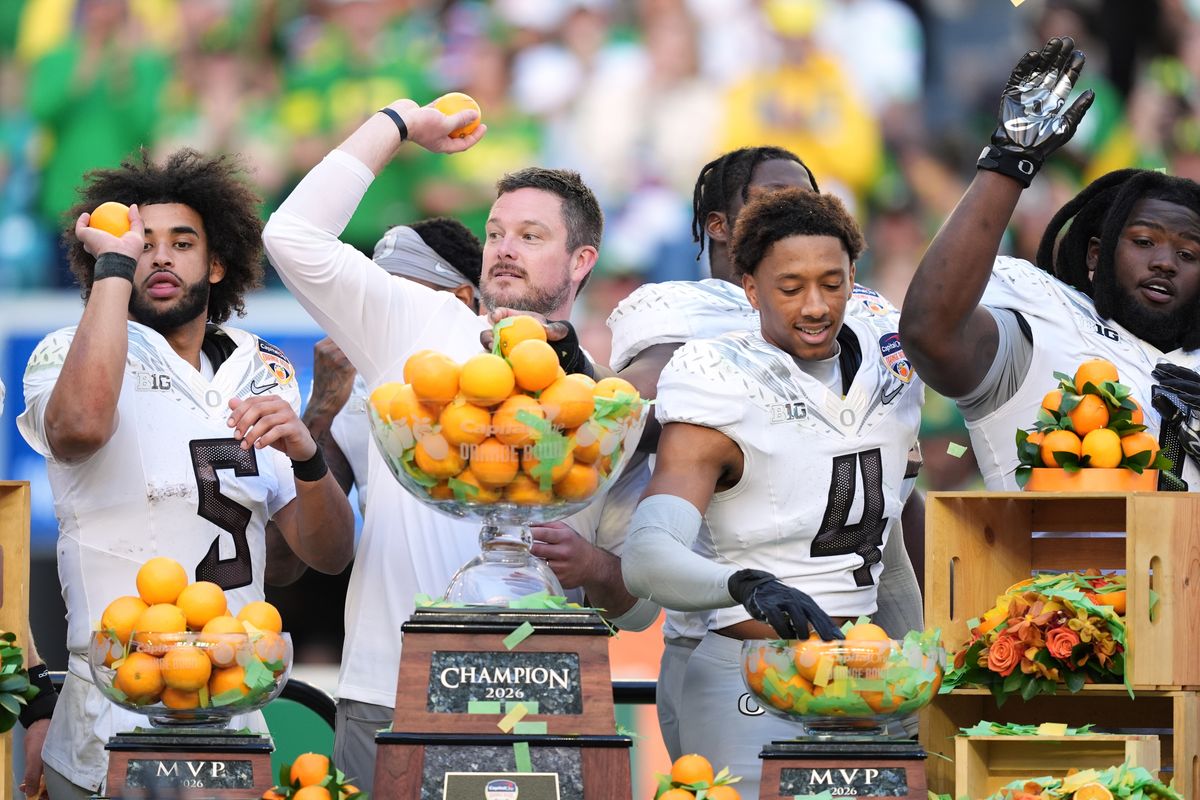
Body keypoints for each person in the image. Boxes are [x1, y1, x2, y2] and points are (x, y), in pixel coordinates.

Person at [262, 99, 658, 792]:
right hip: (388, 691)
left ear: (581, 260)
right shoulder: (416, 327)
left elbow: (640, 605)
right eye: (496, 232)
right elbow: (292, 234)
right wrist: (399, 123)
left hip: (541, 702)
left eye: (530, 235)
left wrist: (592, 565)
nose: (504, 248)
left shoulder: (606, 405)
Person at [16, 149, 356, 798]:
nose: (160, 257)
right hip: (114, 701)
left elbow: (329, 553)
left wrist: (309, 456)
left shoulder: (264, 367)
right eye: (141, 244)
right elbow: (79, 428)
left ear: (217, 262)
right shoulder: (66, 349)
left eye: (181, 242)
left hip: (234, 695)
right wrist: (111, 269)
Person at [606, 146, 924, 759]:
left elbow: (887, 544)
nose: (815, 306)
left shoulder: (888, 361)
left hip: (866, 672)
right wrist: (743, 585)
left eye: (832, 284)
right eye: (791, 288)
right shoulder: (716, 374)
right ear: (750, 288)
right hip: (749, 672)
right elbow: (646, 557)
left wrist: (916, 656)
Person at [899, 36, 1200, 491]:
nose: (1164, 263)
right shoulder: (1046, 321)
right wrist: (1009, 162)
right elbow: (930, 332)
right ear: (1096, 254)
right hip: (1039, 541)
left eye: (1188, 254)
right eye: (1143, 242)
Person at [302, 217, 484, 511]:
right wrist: (321, 408)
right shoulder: (349, 384)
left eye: (400, 299)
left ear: (461, 300)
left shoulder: (502, 383)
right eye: (374, 298)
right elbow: (305, 534)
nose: (382, 312)